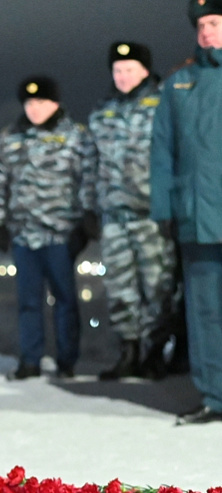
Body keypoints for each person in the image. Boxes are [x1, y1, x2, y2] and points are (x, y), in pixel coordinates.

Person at [0, 77, 95, 380]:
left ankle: (66, 361)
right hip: (24, 234)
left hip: (61, 233)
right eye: (30, 103)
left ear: (56, 103)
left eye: (42, 103)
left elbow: (87, 178)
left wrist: (86, 217)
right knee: (28, 303)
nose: (35, 109)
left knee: (65, 300)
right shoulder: (10, 137)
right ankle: (30, 360)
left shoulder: (75, 136)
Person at [86, 43, 179, 382]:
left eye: (129, 69)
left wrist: (172, 206)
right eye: (117, 70)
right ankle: (129, 351)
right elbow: (90, 163)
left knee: (157, 287)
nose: (123, 76)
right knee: (119, 288)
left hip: (151, 214)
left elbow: (177, 156)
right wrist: (89, 207)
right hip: (114, 215)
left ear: (144, 70)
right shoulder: (102, 111)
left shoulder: (164, 104)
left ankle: (155, 352)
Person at [152, 1, 222, 425]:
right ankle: (214, 396)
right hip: (197, 218)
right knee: (205, 313)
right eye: (201, 25)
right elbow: (162, 150)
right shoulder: (180, 83)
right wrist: (164, 208)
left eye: (214, 22)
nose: (206, 31)